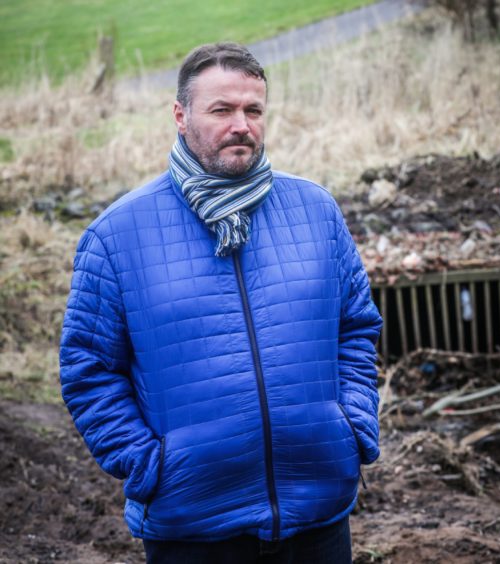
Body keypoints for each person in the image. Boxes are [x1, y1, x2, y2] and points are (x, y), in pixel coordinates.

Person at [59, 42, 382, 563]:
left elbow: (356, 328)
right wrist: (150, 465)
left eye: (254, 110)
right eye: (222, 110)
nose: (242, 125)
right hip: (192, 527)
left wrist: (352, 425)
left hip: (317, 514)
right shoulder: (117, 235)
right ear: (181, 116)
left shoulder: (316, 211)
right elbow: (88, 369)